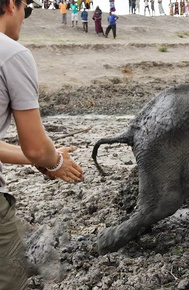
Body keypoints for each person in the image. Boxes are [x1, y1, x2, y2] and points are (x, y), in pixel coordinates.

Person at [0, 0, 84, 287]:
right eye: (27, 8)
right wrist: (54, 162)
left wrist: (42, 160)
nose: (26, 17)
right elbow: (36, 147)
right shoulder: (12, 54)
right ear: (11, 5)